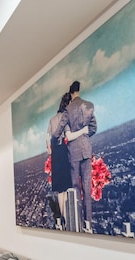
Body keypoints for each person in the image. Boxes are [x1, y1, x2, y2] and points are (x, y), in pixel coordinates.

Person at [55, 80, 97, 233]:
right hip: (86, 149)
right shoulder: (89, 106)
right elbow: (93, 128)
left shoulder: (67, 110)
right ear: (78, 91)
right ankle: (88, 224)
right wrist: (85, 136)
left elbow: (58, 131)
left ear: (71, 92)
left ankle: (78, 222)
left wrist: (56, 137)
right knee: (87, 187)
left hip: (73, 152)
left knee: (75, 188)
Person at [46, 92, 89, 230]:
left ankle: (64, 221)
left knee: (59, 190)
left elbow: (48, 140)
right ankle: (68, 219)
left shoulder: (52, 119)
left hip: (55, 156)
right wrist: (83, 131)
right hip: (64, 153)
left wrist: (51, 150)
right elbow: (69, 136)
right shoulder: (66, 118)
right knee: (67, 189)